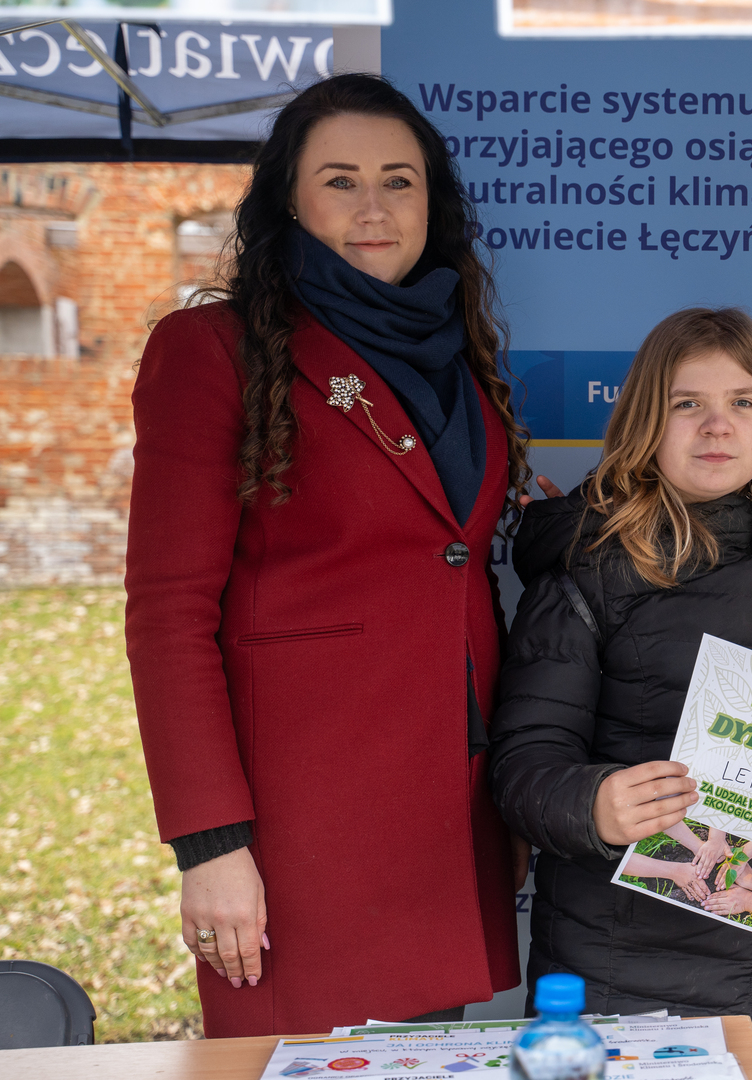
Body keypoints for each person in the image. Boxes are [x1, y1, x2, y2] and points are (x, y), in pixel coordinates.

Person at [124, 74, 528, 1035]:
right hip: (301, 823)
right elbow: (168, 614)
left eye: (399, 181)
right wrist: (209, 843)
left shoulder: (459, 356)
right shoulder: (211, 348)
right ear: (290, 201)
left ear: (433, 202)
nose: (374, 207)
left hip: (449, 809)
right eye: (341, 181)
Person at [487, 308, 752, 1080]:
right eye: (688, 403)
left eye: (742, 402)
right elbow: (524, 762)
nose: (717, 425)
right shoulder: (591, 568)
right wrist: (592, 804)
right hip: (628, 994)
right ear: (646, 422)